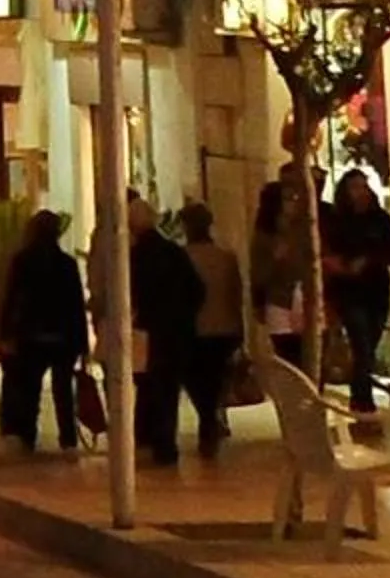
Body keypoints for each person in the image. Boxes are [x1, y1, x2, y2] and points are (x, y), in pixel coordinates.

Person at [0, 209, 88, 454]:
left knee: (29, 388)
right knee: (63, 391)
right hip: (63, 336)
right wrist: (82, 343)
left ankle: (27, 436)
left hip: (31, 334)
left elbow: (13, 299)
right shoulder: (67, 265)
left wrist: (6, 333)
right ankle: (68, 439)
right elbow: (76, 304)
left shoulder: (23, 261)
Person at [127, 194, 201, 469]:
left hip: (147, 331)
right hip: (175, 332)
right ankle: (164, 444)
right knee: (167, 390)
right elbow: (196, 290)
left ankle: (147, 441)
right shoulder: (174, 252)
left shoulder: (134, 257)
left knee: (146, 387)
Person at [322, 168, 390, 414]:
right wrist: (339, 265)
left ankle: (361, 396)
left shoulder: (380, 220)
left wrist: (368, 260)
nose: (360, 192)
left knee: (368, 346)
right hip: (348, 292)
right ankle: (363, 402)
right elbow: (326, 253)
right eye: (355, 187)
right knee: (362, 345)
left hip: (376, 291)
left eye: (363, 186)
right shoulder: (337, 222)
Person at [177, 202, 245, 454]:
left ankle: (208, 420)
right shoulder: (225, 257)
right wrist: (240, 330)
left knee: (195, 379)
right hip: (224, 327)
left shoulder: (181, 257)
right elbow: (235, 295)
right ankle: (210, 419)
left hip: (194, 329)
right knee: (215, 379)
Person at [249, 171, 313, 368]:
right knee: (289, 360)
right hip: (280, 302)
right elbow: (258, 274)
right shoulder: (264, 237)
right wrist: (275, 259)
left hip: (306, 300)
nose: (293, 203)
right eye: (287, 198)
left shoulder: (305, 230)